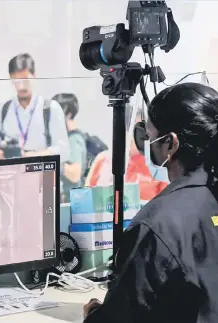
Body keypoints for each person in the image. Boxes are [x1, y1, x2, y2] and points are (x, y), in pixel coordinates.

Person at [83, 83, 218, 323]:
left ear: (171, 144)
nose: (147, 143)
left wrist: (94, 314)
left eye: (149, 136)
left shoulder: (157, 225)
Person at [0, 53, 69, 162]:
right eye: (17, 80)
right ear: (11, 79)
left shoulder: (50, 108)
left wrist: (33, 156)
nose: (21, 86)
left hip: (42, 173)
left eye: (26, 79)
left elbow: (63, 150)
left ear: (34, 76)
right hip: (11, 173)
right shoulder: (3, 109)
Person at [85, 110, 168, 201]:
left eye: (135, 129)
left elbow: (166, 204)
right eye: (126, 128)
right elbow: (86, 198)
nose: (130, 135)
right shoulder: (102, 160)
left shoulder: (158, 165)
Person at [52, 93, 87, 202]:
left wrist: (50, 163)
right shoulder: (65, 138)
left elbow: (75, 174)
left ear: (68, 114)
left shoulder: (74, 139)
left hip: (71, 203)